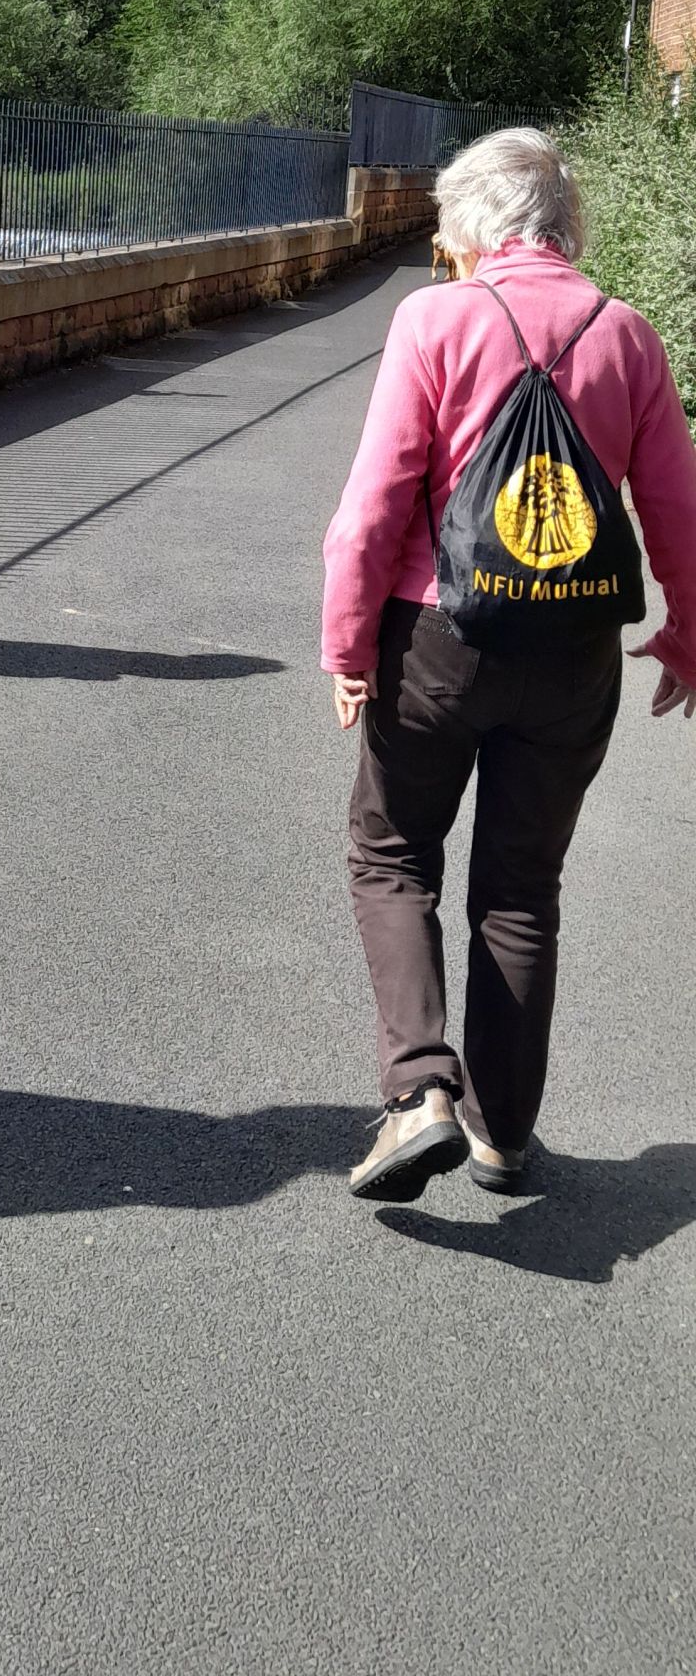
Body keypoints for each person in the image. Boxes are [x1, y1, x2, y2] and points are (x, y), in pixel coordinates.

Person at [322, 128, 696, 1202]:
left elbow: (372, 510)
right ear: (563, 224)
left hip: (436, 639)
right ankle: (501, 1134)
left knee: (392, 853)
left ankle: (416, 1095)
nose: (440, 240)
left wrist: (349, 648)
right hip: (577, 652)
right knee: (523, 888)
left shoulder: (435, 318)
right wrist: (686, 634)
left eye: (447, 221)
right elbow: (676, 507)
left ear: (481, 223)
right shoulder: (628, 333)